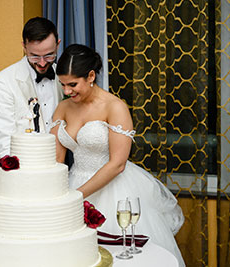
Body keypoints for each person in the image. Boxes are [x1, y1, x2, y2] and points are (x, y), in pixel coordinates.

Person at [50, 44, 186, 267]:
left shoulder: (115, 107)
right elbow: (56, 159)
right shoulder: (63, 108)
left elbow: (117, 164)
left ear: (91, 76)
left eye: (73, 84)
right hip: (72, 184)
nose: (66, 91)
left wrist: (76, 196)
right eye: (63, 85)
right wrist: (57, 195)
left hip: (114, 190)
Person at [0, 17, 64, 190]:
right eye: (35, 56)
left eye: (49, 55)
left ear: (58, 44)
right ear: (24, 46)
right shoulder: (3, 81)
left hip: (57, 174)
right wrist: (25, 182)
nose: (43, 63)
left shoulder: (65, 78)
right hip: (18, 177)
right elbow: (5, 142)